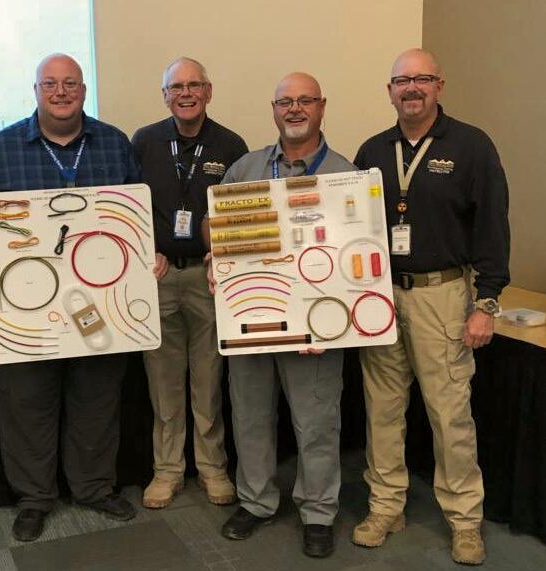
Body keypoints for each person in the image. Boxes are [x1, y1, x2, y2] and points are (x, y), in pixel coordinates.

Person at [0, 53, 161, 542]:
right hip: (27, 299)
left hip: (103, 301)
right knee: (26, 400)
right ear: (35, 90)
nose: (61, 92)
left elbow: (135, 217)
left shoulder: (115, 144)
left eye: (70, 84)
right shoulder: (1, 147)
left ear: (83, 89)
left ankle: (94, 487)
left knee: (97, 396)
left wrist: (147, 258)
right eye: (50, 84)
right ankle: (34, 497)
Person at [351, 48, 510, 566]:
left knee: (450, 416)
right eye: (402, 80)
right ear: (390, 90)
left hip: (443, 295)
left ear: (440, 85)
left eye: (421, 79)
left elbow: (492, 227)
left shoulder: (471, 146)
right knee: (383, 410)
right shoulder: (373, 150)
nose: (411, 88)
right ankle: (385, 506)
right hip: (380, 294)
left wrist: (486, 301)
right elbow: (351, 230)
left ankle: (464, 520)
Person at [205, 72, 354, 558]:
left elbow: (357, 253)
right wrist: (217, 258)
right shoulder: (244, 169)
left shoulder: (345, 174)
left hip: (315, 324)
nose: (295, 109)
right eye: (285, 101)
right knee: (249, 413)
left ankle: (317, 511)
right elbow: (214, 227)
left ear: (322, 106)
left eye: (305, 100)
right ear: (273, 109)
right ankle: (256, 501)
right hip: (252, 313)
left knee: (315, 421)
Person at [130, 57, 248, 509]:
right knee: (163, 385)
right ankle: (167, 471)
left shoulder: (232, 145)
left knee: (208, 382)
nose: (185, 93)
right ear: (164, 95)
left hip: (208, 279)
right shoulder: (144, 141)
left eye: (194, 85)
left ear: (208, 91)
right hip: (156, 277)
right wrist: (144, 251)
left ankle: (213, 469)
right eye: (176, 86)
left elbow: (238, 212)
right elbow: (126, 204)